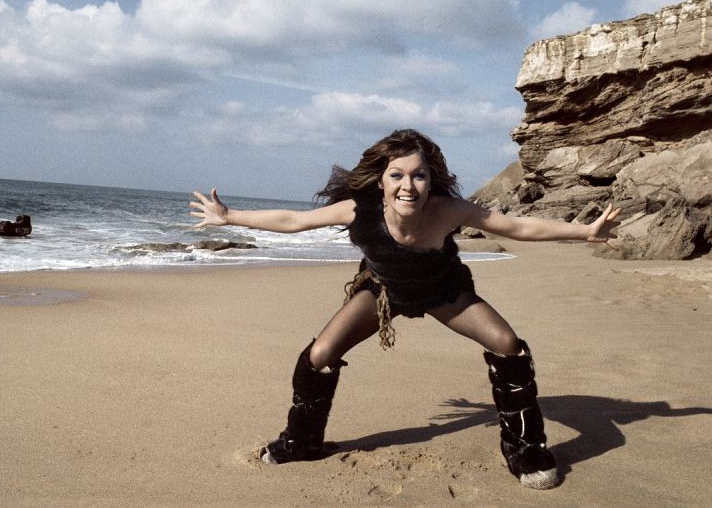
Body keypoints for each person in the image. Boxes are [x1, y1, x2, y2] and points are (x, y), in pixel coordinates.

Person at [190, 129, 620, 490]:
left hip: (444, 292)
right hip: (383, 291)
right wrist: (230, 217)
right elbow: (293, 221)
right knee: (319, 355)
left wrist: (585, 231)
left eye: (418, 175)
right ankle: (301, 441)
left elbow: (516, 225)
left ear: (431, 181)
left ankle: (524, 448)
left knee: (507, 344)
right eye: (397, 175)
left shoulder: (449, 210)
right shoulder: (358, 210)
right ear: (381, 181)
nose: (407, 186)